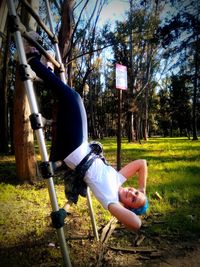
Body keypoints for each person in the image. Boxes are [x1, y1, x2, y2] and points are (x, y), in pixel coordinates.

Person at [24, 32, 149, 231]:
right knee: (69, 101)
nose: (132, 193)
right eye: (135, 192)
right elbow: (142, 164)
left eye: (133, 199)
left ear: (127, 207)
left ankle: (33, 59)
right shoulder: (118, 179)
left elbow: (137, 223)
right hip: (77, 147)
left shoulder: (112, 202)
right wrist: (143, 188)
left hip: (75, 151)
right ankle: (43, 69)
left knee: (74, 99)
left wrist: (134, 207)